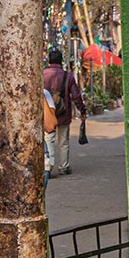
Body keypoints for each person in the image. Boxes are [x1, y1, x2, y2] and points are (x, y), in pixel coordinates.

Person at [42, 47, 85, 176]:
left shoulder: (42, 75)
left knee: (48, 139)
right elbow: (76, 96)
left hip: (47, 113)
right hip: (63, 113)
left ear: (49, 61)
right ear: (61, 61)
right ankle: (63, 166)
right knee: (63, 141)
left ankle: (48, 167)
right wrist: (82, 110)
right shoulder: (68, 76)